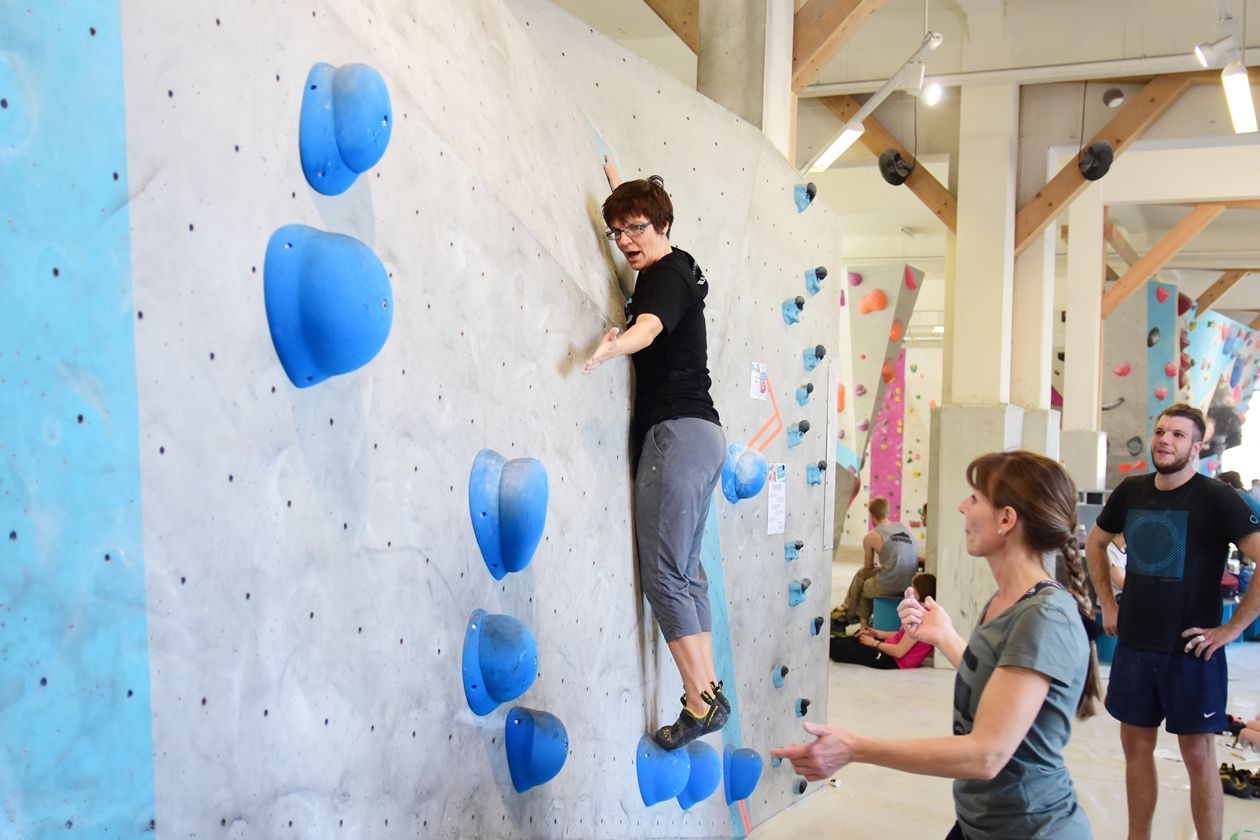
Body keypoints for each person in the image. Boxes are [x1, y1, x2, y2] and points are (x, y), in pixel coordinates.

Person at [774, 451, 1101, 840]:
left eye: (976, 499)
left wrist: (856, 748)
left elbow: (986, 755)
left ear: (1006, 519)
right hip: (979, 824)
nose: (963, 506)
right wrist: (945, 636)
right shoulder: (1006, 602)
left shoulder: (1045, 616)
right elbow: (999, 691)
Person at [584, 158, 729, 751]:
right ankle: (707, 691)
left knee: (665, 578)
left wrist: (614, 346)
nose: (625, 243)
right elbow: (642, 208)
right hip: (704, 435)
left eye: (636, 229)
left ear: (663, 226)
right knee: (687, 576)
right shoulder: (684, 267)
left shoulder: (663, 277)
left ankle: (701, 701)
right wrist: (621, 181)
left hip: (674, 433)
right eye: (617, 233)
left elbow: (647, 327)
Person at [1085, 403, 1260, 840]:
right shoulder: (1132, 490)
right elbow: (1096, 541)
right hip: (1135, 646)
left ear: (1197, 446)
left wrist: (1231, 629)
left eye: (1178, 435)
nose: (1165, 440)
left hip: (1191, 650)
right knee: (1135, 749)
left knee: (1198, 756)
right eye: (1161, 431)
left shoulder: (1220, 498)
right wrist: (1108, 602)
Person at [835, 497, 919, 630]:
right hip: (911, 584)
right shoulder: (906, 527)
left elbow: (868, 566)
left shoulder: (871, 536)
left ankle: (861, 625)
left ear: (872, 515)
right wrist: (885, 566)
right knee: (862, 574)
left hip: (890, 585)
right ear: (887, 513)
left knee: (865, 587)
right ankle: (846, 605)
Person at [829, 573, 935, 670]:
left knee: (838, 648)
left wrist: (874, 643)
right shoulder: (922, 612)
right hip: (888, 648)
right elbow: (903, 636)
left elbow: (899, 652)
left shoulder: (921, 618)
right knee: (849, 639)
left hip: (893, 659)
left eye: (913, 588)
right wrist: (877, 634)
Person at [1107, 533, 1127, 600]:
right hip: (1115, 596)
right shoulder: (1110, 550)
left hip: (1125, 594)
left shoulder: (1127, 550)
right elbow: (1123, 584)